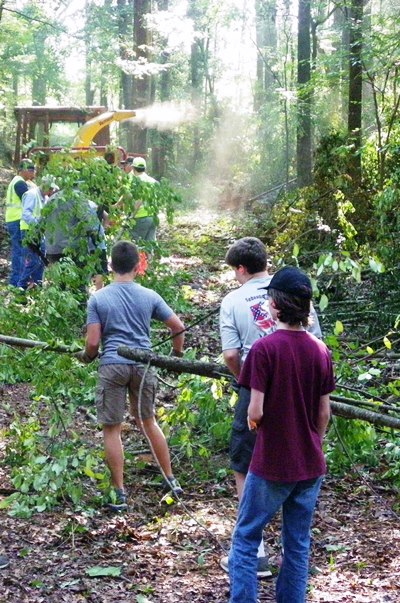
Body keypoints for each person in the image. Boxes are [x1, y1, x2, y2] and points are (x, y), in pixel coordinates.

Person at [228, 266, 335, 603]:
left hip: (272, 462)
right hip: (310, 463)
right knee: (298, 543)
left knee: (246, 537)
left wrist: (256, 424)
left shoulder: (264, 350)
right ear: (306, 309)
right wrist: (311, 441)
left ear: (274, 306)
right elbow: (324, 413)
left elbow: (255, 410)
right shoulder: (320, 351)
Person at [219, 237, 322, 578]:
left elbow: (232, 354)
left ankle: (256, 545)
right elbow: (315, 340)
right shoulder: (299, 294)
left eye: (234, 271)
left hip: (258, 390)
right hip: (304, 388)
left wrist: (247, 380)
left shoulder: (234, 300)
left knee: (244, 460)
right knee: (298, 460)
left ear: (241, 268)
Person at [78, 240, 185, 510]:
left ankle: (118, 493)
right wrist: (176, 355)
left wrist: (87, 357)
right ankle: (170, 479)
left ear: (110, 265)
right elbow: (178, 327)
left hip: (112, 365)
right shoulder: (149, 296)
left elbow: (92, 343)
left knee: (112, 429)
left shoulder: (98, 298)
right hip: (142, 365)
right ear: (138, 266)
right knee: (148, 421)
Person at [17, 175, 59, 290]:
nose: (51, 191)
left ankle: (37, 284)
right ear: (44, 186)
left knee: (41, 260)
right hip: (29, 231)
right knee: (33, 260)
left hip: (38, 232)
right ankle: (21, 286)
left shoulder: (44, 198)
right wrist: (37, 225)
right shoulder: (32, 195)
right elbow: (26, 214)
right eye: (50, 189)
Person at [5, 159, 36, 286]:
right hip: (17, 220)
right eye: (30, 170)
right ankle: (17, 281)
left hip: (13, 219)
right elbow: (28, 199)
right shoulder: (20, 183)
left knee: (19, 251)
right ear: (23, 170)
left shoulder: (17, 181)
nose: (32, 173)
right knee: (20, 252)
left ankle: (17, 280)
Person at [128, 156, 158, 242]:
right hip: (152, 217)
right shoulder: (152, 181)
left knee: (137, 244)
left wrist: (132, 216)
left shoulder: (138, 181)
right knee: (150, 245)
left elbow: (139, 200)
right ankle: (150, 256)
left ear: (133, 168)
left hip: (140, 217)